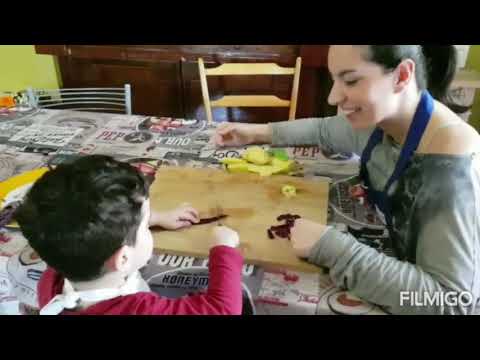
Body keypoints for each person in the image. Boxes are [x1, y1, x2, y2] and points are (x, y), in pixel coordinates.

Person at [213, 45, 480, 315]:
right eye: (335, 79)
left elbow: (451, 304)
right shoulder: (386, 118)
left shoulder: (449, 160)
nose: (332, 97)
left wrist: (333, 249)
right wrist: (256, 133)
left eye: (350, 80)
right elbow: (323, 130)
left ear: (401, 75)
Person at [14, 155, 243, 315]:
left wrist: (150, 219)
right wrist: (224, 250)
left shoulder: (53, 274)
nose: (147, 225)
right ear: (122, 259)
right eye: (144, 226)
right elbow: (222, 309)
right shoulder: (141, 310)